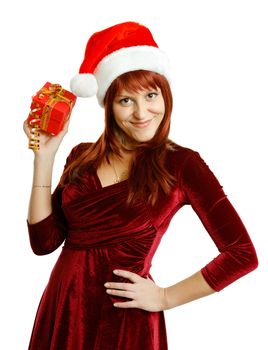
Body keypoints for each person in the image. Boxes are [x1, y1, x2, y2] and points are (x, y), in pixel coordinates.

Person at [23, 21, 258, 350]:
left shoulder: (183, 165)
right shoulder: (81, 156)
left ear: (165, 95)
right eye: (125, 101)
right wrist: (44, 158)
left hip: (126, 319)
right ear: (108, 106)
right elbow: (44, 242)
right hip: (64, 308)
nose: (141, 112)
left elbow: (242, 254)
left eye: (150, 95)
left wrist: (165, 297)